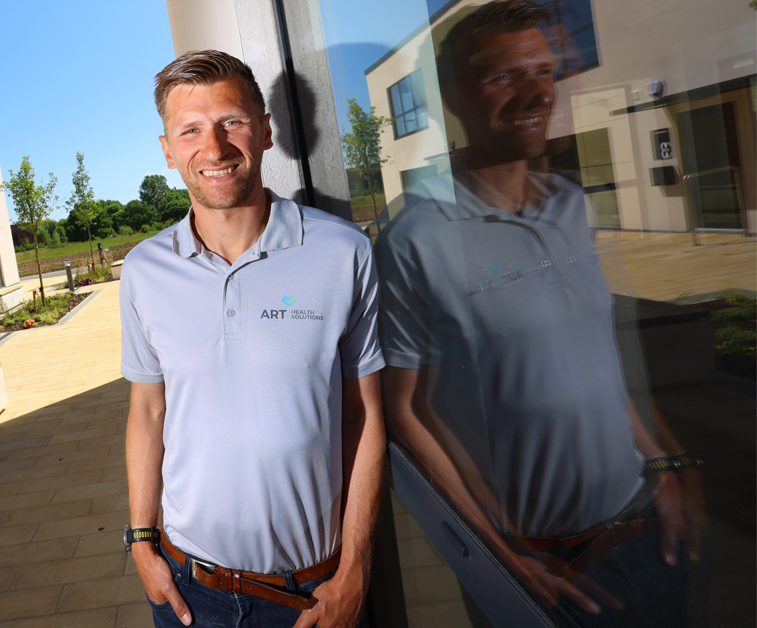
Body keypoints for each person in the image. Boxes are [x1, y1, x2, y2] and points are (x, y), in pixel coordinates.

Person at [375, 1, 704, 626]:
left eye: (544, 71)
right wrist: (500, 555)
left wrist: (664, 462)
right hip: (550, 572)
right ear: (454, 96)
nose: (535, 93)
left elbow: (596, 359)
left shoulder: (570, 205)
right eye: (505, 76)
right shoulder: (416, 237)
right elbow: (407, 411)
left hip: (647, 532)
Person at [120, 50, 386, 628]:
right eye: (190, 130)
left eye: (232, 122)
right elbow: (147, 409)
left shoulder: (342, 252)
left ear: (266, 131)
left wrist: (356, 570)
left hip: (314, 591)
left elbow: (364, 416)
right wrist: (142, 541)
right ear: (168, 151)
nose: (213, 149)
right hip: (190, 591)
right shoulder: (143, 269)